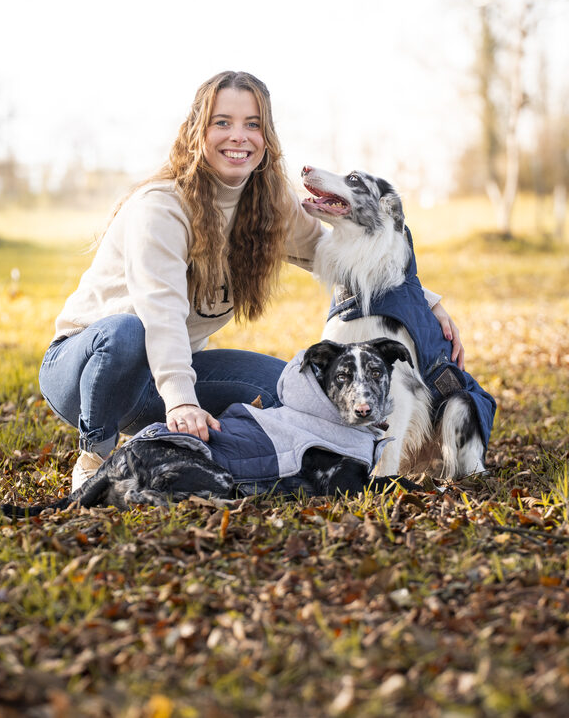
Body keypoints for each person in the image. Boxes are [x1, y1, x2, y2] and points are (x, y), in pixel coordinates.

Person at [39, 70, 463, 491]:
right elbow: (162, 314)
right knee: (126, 332)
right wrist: (183, 399)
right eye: (222, 122)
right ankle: (94, 454)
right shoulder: (161, 207)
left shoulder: (268, 201)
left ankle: (330, 461)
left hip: (163, 376)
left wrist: (423, 302)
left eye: (252, 124)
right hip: (88, 371)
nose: (238, 136)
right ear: (197, 132)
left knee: (297, 391)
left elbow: (337, 257)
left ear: (267, 136)